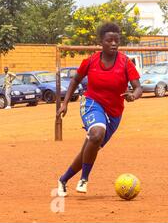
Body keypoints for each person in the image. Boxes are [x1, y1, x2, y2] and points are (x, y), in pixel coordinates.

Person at [56, 22, 142, 197]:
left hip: (114, 113)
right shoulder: (91, 61)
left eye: (116, 40)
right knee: (96, 133)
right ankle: (84, 179)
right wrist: (64, 103)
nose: (113, 44)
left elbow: (138, 87)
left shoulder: (126, 63)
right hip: (91, 103)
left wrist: (133, 95)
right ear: (101, 42)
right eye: (109, 40)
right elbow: (75, 81)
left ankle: (63, 179)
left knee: (91, 146)